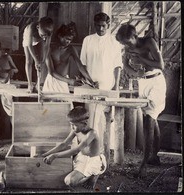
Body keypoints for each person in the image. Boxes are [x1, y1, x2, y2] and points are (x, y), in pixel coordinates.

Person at [115, 24, 166, 177]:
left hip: (156, 82)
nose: (126, 45)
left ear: (135, 36)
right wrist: (127, 65)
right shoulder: (127, 49)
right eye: (124, 43)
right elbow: (130, 70)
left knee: (149, 120)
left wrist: (140, 57)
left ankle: (144, 165)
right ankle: (154, 157)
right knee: (151, 118)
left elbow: (161, 65)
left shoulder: (149, 42)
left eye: (128, 42)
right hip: (143, 82)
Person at [79, 12, 123, 154]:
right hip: (91, 86)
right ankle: (90, 151)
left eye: (103, 26)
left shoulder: (114, 42)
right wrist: (88, 81)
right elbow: (83, 64)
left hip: (108, 86)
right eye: (98, 26)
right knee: (91, 118)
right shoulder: (88, 40)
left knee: (105, 120)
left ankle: (104, 151)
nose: (101, 29)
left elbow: (117, 65)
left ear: (108, 25)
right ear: (94, 25)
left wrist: (115, 86)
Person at [41, 106, 107, 190]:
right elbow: (64, 144)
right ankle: (85, 173)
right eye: (71, 125)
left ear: (85, 122)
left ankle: (94, 175)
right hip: (81, 157)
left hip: (92, 160)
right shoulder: (76, 130)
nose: (72, 128)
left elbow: (77, 149)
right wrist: (46, 154)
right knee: (63, 176)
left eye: (74, 125)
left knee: (69, 181)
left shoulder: (92, 133)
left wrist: (54, 155)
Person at [43, 22, 96, 94]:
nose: (68, 41)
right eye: (67, 39)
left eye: (70, 40)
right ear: (60, 36)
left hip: (63, 81)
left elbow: (80, 66)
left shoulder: (71, 49)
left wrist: (91, 80)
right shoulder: (50, 48)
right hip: (51, 80)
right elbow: (51, 72)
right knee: (49, 104)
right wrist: (69, 81)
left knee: (65, 104)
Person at [23, 16, 54, 93]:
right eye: (42, 35)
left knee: (41, 62)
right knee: (29, 61)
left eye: (46, 36)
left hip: (38, 41)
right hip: (28, 40)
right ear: (37, 27)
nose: (44, 37)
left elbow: (47, 46)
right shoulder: (31, 28)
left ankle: (37, 84)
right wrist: (36, 60)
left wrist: (43, 60)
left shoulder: (49, 32)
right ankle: (30, 84)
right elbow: (30, 45)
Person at [0, 40, 18, 117]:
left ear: (1, 50)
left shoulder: (7, 57)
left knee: (8, 102)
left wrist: (11, 70)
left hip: (7, 81)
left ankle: (10, 118)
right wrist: (1, 80)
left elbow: (16, 69)